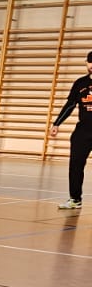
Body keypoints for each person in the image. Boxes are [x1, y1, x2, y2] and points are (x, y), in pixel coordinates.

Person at [49, 51, 92, 210]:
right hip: (83, 131)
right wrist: (57, 123)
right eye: (90, 62)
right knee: (75, 164)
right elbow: (70, 105)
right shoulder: (80, 83)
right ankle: (75, 199)